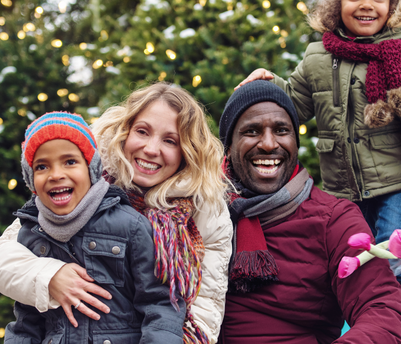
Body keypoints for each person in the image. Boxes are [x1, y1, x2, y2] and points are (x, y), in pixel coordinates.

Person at [235, 0, 401, 341]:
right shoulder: (319, 58)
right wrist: (271, 85)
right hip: (342, 191)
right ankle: (358, 324)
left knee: (394, 246)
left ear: (392, 4)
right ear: (337, 4)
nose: (367, 5)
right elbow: (293, 105)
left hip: (397, 184)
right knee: (351, 256)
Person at [0, 83, 232, 344]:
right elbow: (7, 256)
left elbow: (202, 306)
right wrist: (49, 277)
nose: (152, 149)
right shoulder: (79, 183)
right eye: (142, 132)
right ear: (125, 131)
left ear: (187, 151)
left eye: (170, 140)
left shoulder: (205, 206)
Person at [217, 80, 401, 343]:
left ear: (295, 142)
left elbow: (384, 312)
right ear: (228, 147)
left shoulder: (334, 220)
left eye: (281, 130)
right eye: (251, 131)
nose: (267, 143)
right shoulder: (200, 212)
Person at [5, 111, 185, 343]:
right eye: (42, 167)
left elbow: (159, 303)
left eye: (70, 162)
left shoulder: (129, 225)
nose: (56, 175)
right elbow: (26, 322)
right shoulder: (31, 233)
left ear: (91, 169)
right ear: (31, 180)